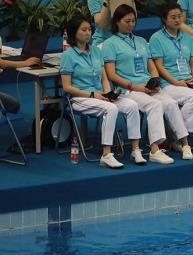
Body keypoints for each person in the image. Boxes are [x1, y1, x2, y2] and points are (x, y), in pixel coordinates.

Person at [102, 4, 190, 164]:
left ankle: (184, 143)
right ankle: (155, 150)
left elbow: (152, 67)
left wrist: (154, 82)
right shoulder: (110, 44)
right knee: (154, 105)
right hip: (128, 89)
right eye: (126, 21)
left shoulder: (141, 41)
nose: (130, 24)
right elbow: (111, 75)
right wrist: (135, 87)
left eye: (133, 21)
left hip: (148, 87)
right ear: (117, 22)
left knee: (170, 103)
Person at [60, 15, 143, 169]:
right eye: (83, 30)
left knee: (131, 105)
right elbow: (67, 87)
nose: (88, 33)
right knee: (110, 109)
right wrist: (93, 95)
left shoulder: (97, 52)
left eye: (90, 29)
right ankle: (106, 154)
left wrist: (107, 94)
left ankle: (135, 150)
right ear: (73, 33)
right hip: (80, 98)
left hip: (100, 96)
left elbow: (104, 78)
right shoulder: (68, 56)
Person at [150, 1, 193, 149]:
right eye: (173, 17)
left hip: (189, 81)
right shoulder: (156, 38)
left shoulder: (188, 38)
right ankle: (180, 136)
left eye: (179, 16)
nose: (177, 20)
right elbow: (159, 66)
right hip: (169, 84)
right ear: (164, 19)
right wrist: (176, 81)